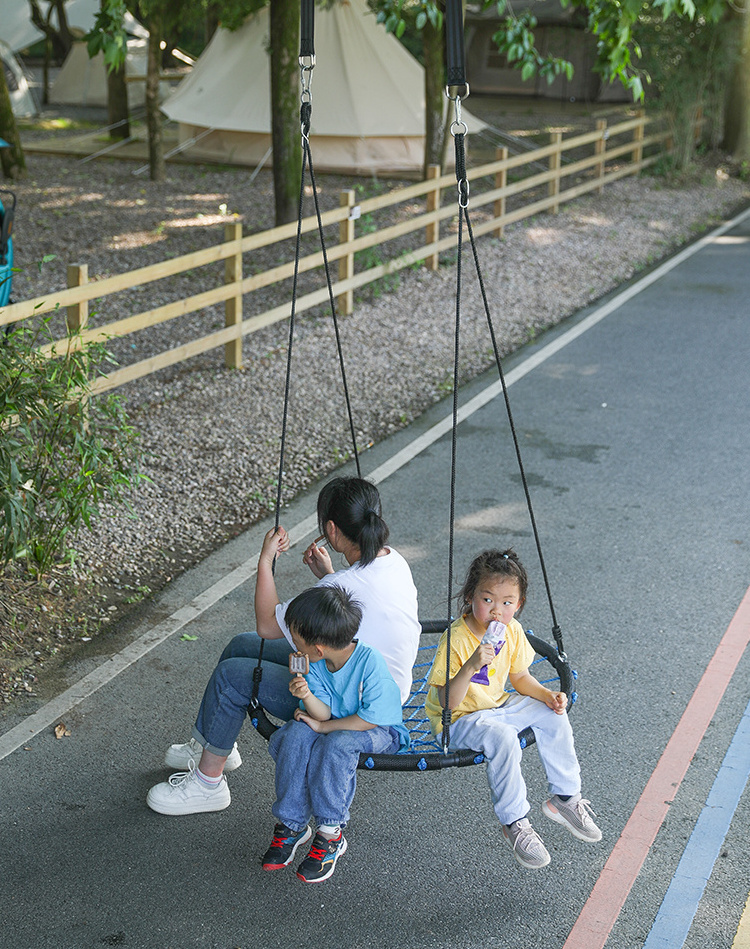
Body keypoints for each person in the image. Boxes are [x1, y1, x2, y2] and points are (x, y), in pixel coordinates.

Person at [146, 476, 420, 816]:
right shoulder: (393, 559)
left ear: (331, 530)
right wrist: (328, 576)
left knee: (233, 675)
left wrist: (265, 559)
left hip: (353, 702)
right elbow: (359, 605)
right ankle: (214, 744)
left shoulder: (340, 583)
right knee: (241, 645)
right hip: (363, 674)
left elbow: (267, 624)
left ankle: (208, 783)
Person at [425, 548, 601, 870]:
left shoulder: (513, 631)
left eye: (507, 603)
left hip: (497, 705)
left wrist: (547, 694)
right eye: (488, 599)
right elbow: (446, 703)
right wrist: (470, 665)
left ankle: (564, 797)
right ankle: (515, 822)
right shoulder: (457, 639)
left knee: (552, 714)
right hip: (460, 719)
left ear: (518, 606)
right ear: (470, 597)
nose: (497, 611)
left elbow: (519, 677)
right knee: (504, 738)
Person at [261, 584, 409, 883]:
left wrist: (325, 727)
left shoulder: (370, 662)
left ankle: (330, 833)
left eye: (296, 639)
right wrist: (306, 695)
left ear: (317, 648)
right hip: (337, 722)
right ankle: (292, 824)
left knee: (337, 744)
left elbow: (371, 718)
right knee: (296, 735)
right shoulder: (314, 662)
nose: (293, 645)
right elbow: (322, 713)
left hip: (380, 729)